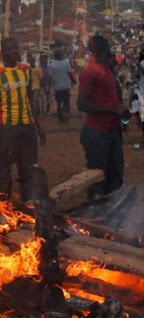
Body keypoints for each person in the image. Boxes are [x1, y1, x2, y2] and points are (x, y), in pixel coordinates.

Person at [0, 37, 46, 202]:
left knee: (28, 169)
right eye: (10, 49)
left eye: (15, 48)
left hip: (27, 127)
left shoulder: (26, 70)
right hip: (7, 128)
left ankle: (28, 204)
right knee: (3, 170)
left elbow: (30, 100)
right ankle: (2, 206)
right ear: (2, 52)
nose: (14, 52)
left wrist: (38, 127)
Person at [77, 35, 129, 199]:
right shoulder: (91, 72)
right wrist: (113, 109)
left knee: (116, 177)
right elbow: (82, 104)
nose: (109, 50)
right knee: (97, 180)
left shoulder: (106, 69)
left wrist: (121, 113)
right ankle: (94, 217)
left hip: (112, 131)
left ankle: (111, 217)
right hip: (96, 134)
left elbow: (112, 97)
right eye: (106, 47)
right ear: (99, 49)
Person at [50, 49, 76, 123]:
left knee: (58, 103)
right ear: (61, 55)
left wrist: (50, 86)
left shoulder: (52, 64)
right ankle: (66, 115)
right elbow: (70, 73)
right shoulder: (66, 63)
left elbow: (51, 76)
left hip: (57, 87)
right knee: (66, 101)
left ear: (55, 56)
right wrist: (73, 80)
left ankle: (60, 117)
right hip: (65, 86)